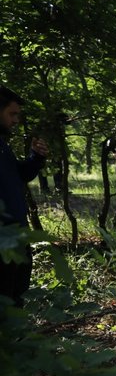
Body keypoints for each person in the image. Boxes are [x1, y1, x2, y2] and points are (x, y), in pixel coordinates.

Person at [0, 85, 48, 306]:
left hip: (17, 235)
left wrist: (35, 159)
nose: (16, 120)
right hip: (4, 240)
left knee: (17, 296)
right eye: (12, 114)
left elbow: (16, 177)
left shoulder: (2, 146)